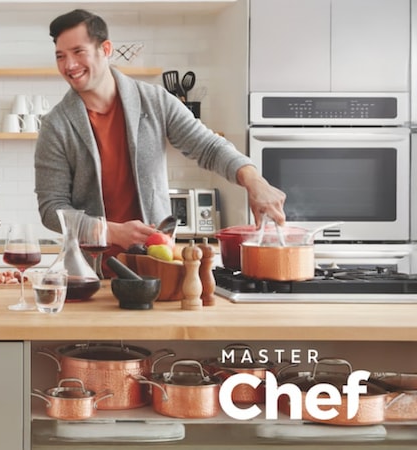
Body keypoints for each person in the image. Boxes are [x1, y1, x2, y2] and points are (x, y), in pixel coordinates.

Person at [35, 9, 287, 274]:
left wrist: (254, 181)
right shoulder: (56, 125)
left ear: (105, 49)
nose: (69, 65)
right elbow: (52, 209)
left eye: (78, 52)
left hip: (158, 269)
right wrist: (111, 232)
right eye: (61, 56)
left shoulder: (154, 101)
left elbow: (209, 147)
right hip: (90, 276)